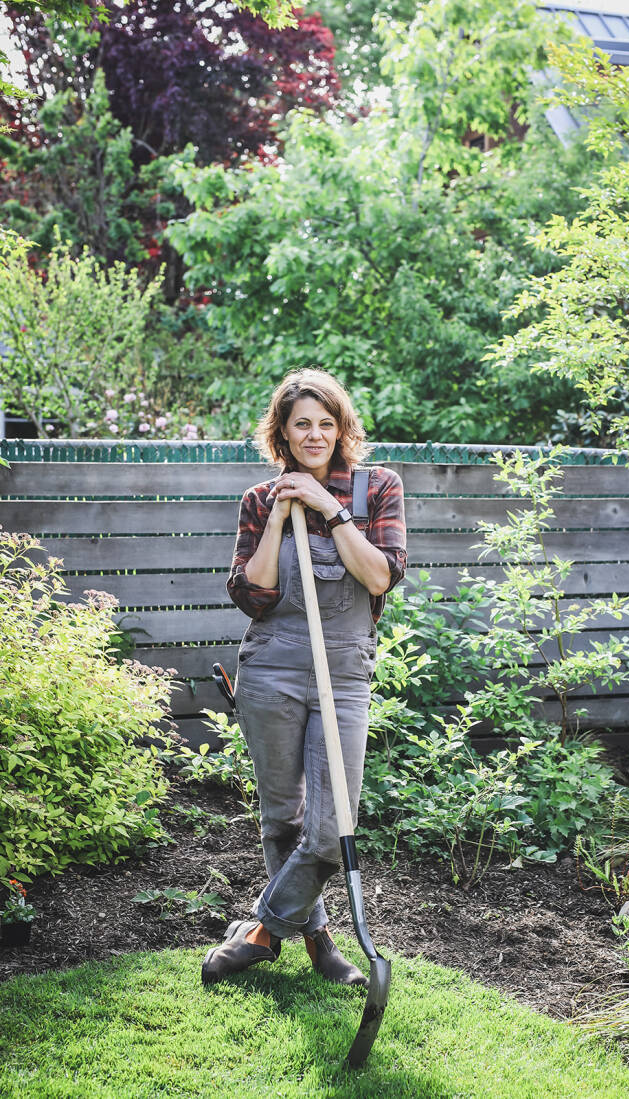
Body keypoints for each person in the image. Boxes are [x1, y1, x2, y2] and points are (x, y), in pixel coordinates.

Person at [202, 368, 406, 987]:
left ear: (341, 427)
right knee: (281, 818)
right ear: (282, 434)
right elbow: (253, 595)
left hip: (343, 672)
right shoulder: (260, 498)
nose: (315, 435)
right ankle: (319, 942)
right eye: (302, 425)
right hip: (271, 667)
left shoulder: (377, 489)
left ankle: (262, 930)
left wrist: (330, 508)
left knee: (331, 823)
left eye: (326, 423)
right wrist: (279, 515)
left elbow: (380, 578)